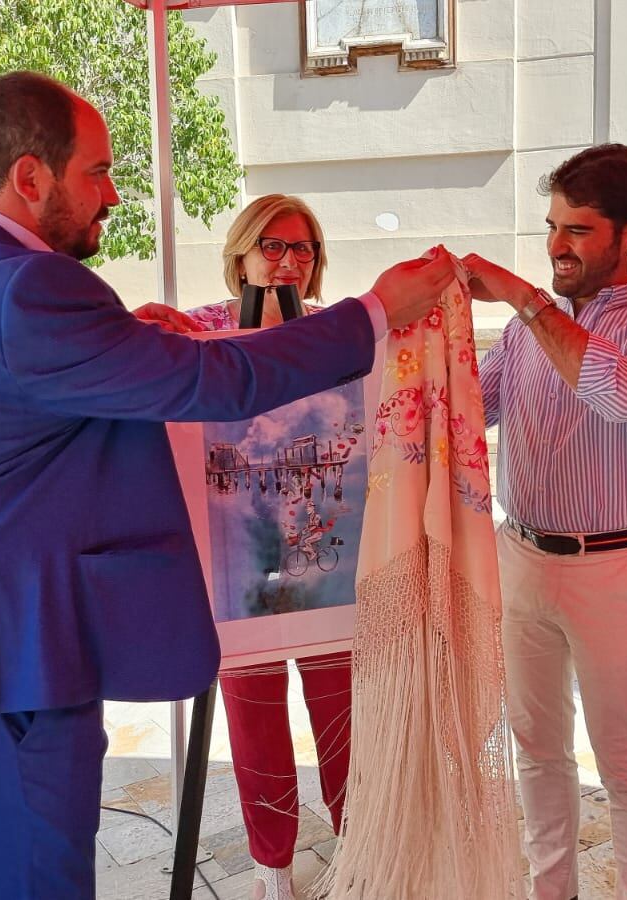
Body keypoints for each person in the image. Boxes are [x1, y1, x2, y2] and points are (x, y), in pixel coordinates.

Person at [0, 71, 454, 900]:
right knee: (33, 882)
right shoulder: (27, 289)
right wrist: (373, 313)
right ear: (31, 178)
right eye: (96, 172)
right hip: (2, 658)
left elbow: (6, 426)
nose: (112, 194)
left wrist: (120, 346)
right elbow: (217, 380)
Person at [459, 144, 627, 900]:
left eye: (580, 230)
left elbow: (623, 395)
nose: (557, 246)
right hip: (521, 556)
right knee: (536, 749)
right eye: (552, 226)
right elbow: (471, 405)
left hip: (612, 569)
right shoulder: (528, 329)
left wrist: (525, 301)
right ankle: (550, 891)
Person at [184, 194, 355, 900]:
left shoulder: (340, 337)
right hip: (238, 568)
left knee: (345, 719)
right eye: (273, 246)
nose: (288, 260)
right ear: (241, 255)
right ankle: (273, 870)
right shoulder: (199, 334)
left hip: (328, 564)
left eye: (303, 248)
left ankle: (357, 850)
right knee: (254, 730)